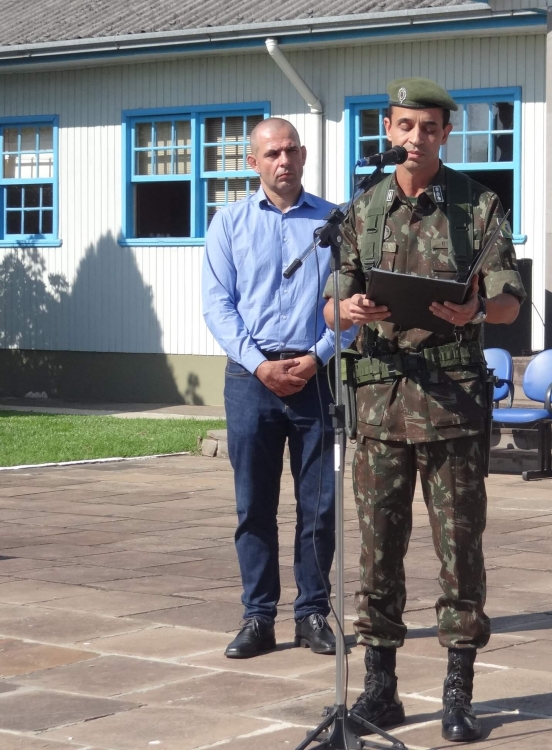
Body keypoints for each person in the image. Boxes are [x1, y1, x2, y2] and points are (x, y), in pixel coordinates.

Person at [324, 78, 524, 743]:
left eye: (430, 127)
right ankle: (381, 691)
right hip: (379, 407)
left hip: (451, 408)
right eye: (406, 126)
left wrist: (476, 310)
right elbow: (334, 302)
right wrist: (346, 311)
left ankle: (458, 690)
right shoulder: (363, 210)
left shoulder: (478, 206)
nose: (417, 138)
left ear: (445, 133)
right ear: (389, 130)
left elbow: (510, 302)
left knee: (458, 551)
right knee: (377, 554)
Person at [202, 118, 340, 660]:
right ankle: (258, 617)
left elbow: (350, 304)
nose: (283, 161)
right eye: (271, 153)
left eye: (290, 151)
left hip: (315, 377)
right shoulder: (229, 223)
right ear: (253, 162)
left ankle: (312, 614)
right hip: (250, 380)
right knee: (254, 504)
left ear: (303, 156)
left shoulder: (333, 223)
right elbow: (218, 304)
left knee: (319, 506)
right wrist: (260, 366)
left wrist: (319, 356)